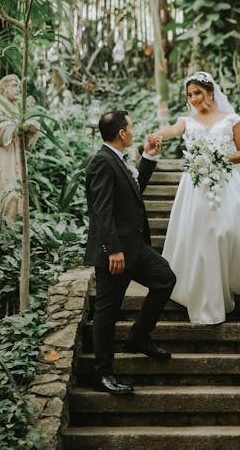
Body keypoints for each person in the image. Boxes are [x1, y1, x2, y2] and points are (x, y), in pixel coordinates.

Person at [153, 71, 240, 325]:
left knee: (223, 232)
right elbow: (172, 130)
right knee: (200, 235)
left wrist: (219, 159)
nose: (194, 99)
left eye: (197, 92)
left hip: (224, 185)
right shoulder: (188, 121)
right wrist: (157, 136)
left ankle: (225, 286)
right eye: (189, 95)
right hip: (195, 188)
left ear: (210, 91)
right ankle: (204, 296)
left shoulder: (231, 119)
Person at [84, 110, 176, 395]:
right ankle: (103, 374)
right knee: (106, 313)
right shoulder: (102, 162)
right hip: (115, 254)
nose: (134, 131)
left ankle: (138, 336)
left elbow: (135, 191)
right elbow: (101, 210)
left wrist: (148, 157)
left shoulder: (118, 160)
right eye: (132, 128)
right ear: (122, 133)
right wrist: (112, 250)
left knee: (165, 279)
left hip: (136, 249)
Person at [0, 74, 39, 222]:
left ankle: (16, 229)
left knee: (18, 190)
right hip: (2, 155)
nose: (18, 89)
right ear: (4, 88)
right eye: (14, 86)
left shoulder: (17, 108)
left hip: (16, 154)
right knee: (3, 189)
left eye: (19, 86)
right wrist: (15, 127)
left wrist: (30, 130)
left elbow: (26, 141)